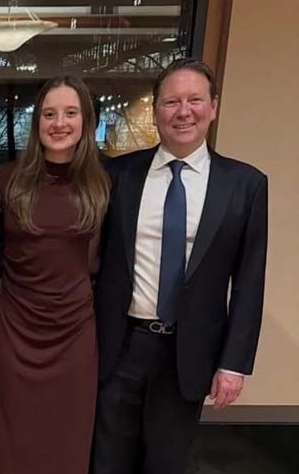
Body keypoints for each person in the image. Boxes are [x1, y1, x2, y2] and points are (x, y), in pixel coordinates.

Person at [91, 58, 268, 474]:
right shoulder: (117, 175)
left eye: (194, 100)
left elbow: (249, 281)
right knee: (106, 461)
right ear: (156, 111)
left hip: (188, 354)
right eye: (171, 102)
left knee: (167, 463)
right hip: (119, 346)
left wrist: (234, 363)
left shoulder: (244, 185)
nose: (183, 112)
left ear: (213, 107)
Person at [0, 76, 110, 474]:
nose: (59, 123)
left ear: (86, 120)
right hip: (15, 331)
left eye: (70, 113)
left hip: (74, 336)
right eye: (49, 114)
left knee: (64, 440)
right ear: (37, 123)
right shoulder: (7, 179)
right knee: (7, 437)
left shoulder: (103, 182)